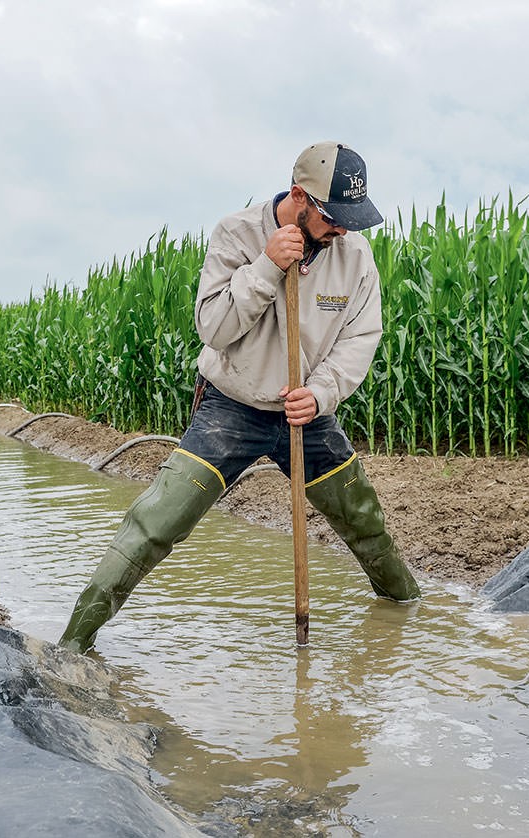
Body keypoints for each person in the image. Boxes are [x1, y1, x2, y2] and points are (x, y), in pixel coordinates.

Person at [59, 141, 420, 653]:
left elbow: (361, 337)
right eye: (334, 217)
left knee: (362, 520)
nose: (345, 229)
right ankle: (73, 643)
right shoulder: (238, 233)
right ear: (300, 197)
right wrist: (267, 268)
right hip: (233, 406)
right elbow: (215, 328)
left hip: (305, 412)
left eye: (352, 218)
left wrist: (320, 394)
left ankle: (409, 610)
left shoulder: (354, 256)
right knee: (158, 521)